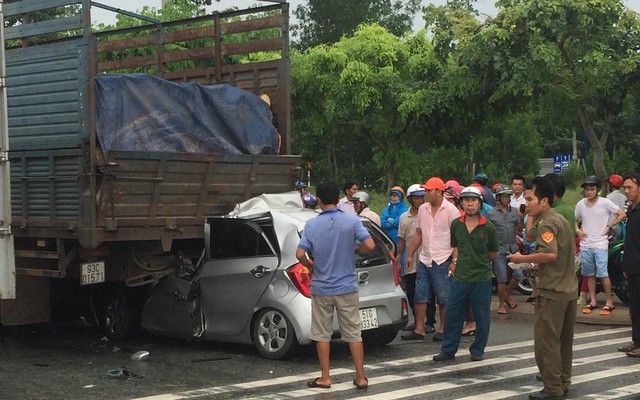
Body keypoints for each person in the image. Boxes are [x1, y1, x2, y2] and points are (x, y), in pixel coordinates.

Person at [295, 182, 374, 390]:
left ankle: (325, 377)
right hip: (347, 286)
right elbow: (370, 245)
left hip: (321, 287)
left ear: (318, 200)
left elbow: (299, 254)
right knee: (354, 333)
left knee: (322, 334)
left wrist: (310, 267)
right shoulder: (351, 221)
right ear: (339, 197)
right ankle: (361, 377)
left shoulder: (311, 225)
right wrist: (355, 251)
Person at [508, 176, 577, 399]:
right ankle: (562, 382)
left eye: (530, 199)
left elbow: (549, 253)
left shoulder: (547, 223)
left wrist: (521, 259)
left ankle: (553, 388)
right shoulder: (560, 219)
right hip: (567, 289)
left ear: (544, 201)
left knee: (546, 343)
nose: (526, 203)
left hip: (552, 291)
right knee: (564, 342)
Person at [433, 186, 499, 362]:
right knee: (453, 314)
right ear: (461, 203)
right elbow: (455, 246)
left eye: (473, 201)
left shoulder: (489, 227)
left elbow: (494, 253)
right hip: (460, 277)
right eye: (466, 201)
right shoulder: (456, 224)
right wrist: (455, 262)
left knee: (481, 316)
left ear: (479, 203)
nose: (470, 204)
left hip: (482, 278)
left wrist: (478, 260)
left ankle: (477, 350)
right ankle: (448, 350)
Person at [401, 177, 460, 341]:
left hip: (443, 258)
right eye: (425, 190)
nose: (426, 194)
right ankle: (419, 328)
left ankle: (443, 328)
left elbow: (457, 239)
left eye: (429, 190)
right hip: (425, 258)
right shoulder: (423, 210)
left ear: (439, 191)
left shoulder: (451, 210)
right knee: (420, 295)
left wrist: (455, 261)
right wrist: (410, 254)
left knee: (443, 297)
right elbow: (419, 233)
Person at [575, 176, 626, 316]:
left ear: (597, 190)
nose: (589, 192)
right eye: (587, 190)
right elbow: (575, 219)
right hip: (586, 244)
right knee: (589, 274)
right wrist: (577, 230)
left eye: (592, 189)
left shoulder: (605, 202)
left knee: (603, 273)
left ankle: (609, 301)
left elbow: (621, 214)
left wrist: (609, 226)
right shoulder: (580, 204)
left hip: (600, 243)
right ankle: (593, 300)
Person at [397, 184, 434, 333]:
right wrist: (399, 259)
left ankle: (430, 321)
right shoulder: (403, 218)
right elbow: (401, 240)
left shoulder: (428, 213)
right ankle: (416, 320)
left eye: (421, 197)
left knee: (429, 292)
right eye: (416, 197)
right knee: (412, 292)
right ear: (410, 198)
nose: (419, 200)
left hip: (426, 258)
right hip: (410, 260)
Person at [487, 184, 524, 314]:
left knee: (518, 274)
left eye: (509, 196)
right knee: (501, 278)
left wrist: (522, 217)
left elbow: (519, 228)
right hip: (499, 249)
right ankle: (501, 304)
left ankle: (507, 295)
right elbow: (488, 233)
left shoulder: (514, 211)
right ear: (498, 198)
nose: (507, 198)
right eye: (505, 196)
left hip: (513, 247)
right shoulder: (491, 213)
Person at [619, 173, 640, 357]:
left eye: (630, 188)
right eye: (624, 188)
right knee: (634, 306)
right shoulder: (631, 210)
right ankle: (637, 341)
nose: (626, 191)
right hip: (632, 266)